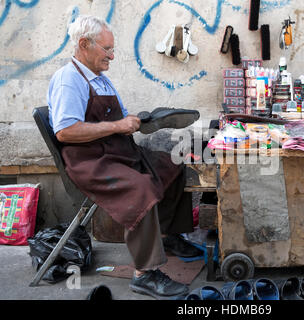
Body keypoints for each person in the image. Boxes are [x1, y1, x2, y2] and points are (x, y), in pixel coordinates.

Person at [47, 15, 202, 298]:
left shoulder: (100, 80)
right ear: (84, 44)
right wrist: (119, 126)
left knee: (174, 163)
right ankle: (145, 273)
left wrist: (138, 121)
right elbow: (66, 132)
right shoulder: (68, 79)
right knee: (140, 187)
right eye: (107, 50)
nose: (112, 56)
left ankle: (168, 236)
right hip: (91, 162)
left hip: (118, 152)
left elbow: (113, 120)